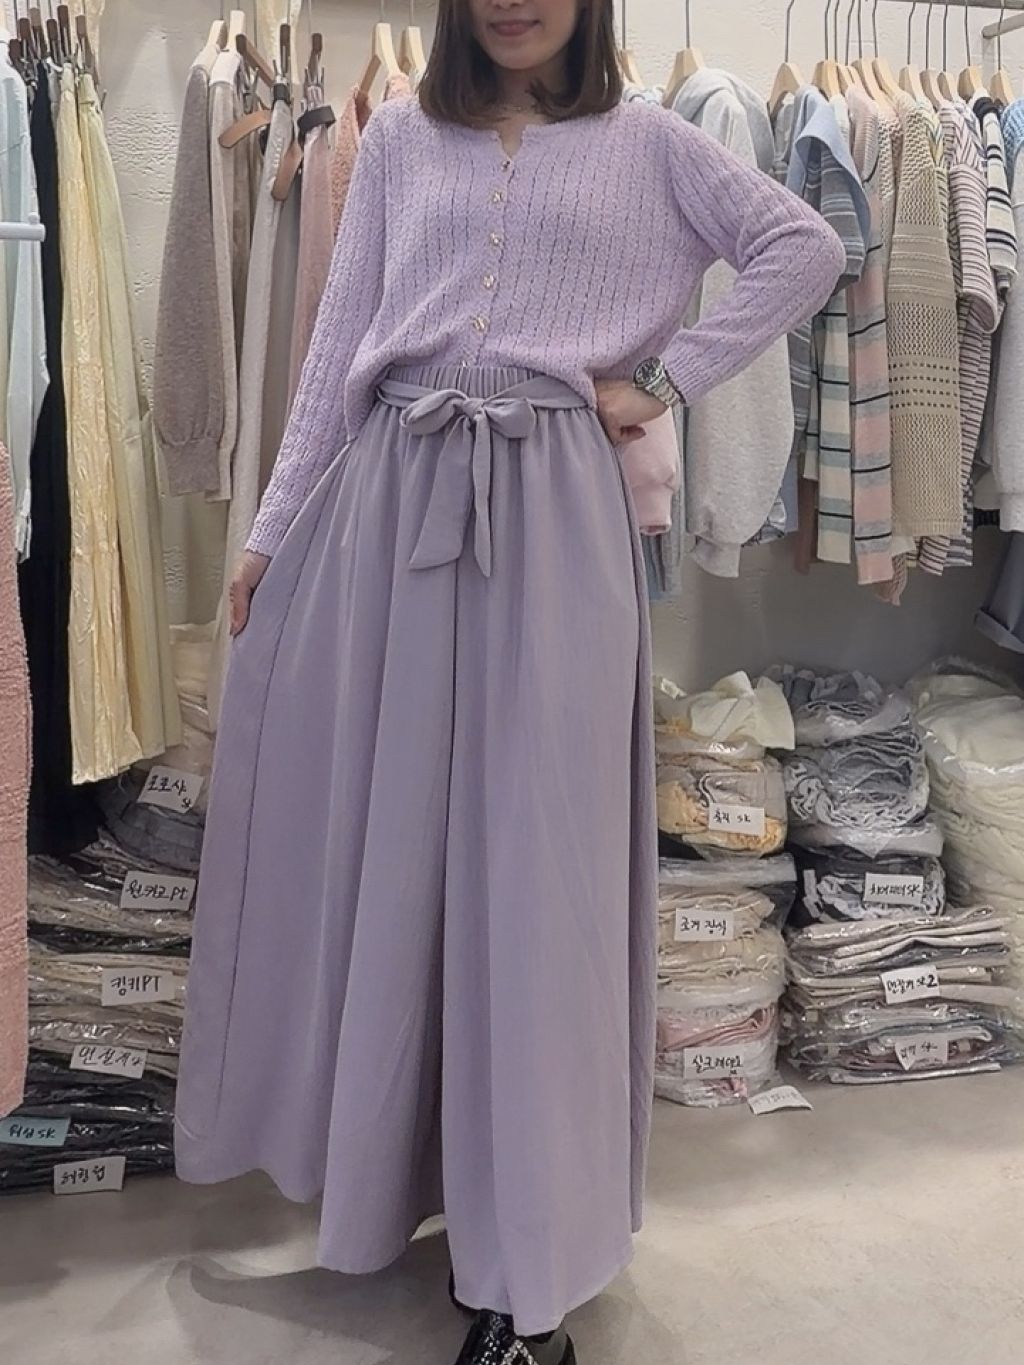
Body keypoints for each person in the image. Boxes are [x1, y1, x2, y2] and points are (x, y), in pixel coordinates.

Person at [174, 0, 844, 1359]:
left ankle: (522, 1263)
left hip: (553, 519)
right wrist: (269, 533)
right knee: (398, 855)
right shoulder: (399, 144)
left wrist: (660, 380)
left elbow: (806, 245)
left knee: (539, 879)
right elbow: (337, 349)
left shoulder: (650, 140)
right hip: (392, 509)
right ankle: (396, 1186)